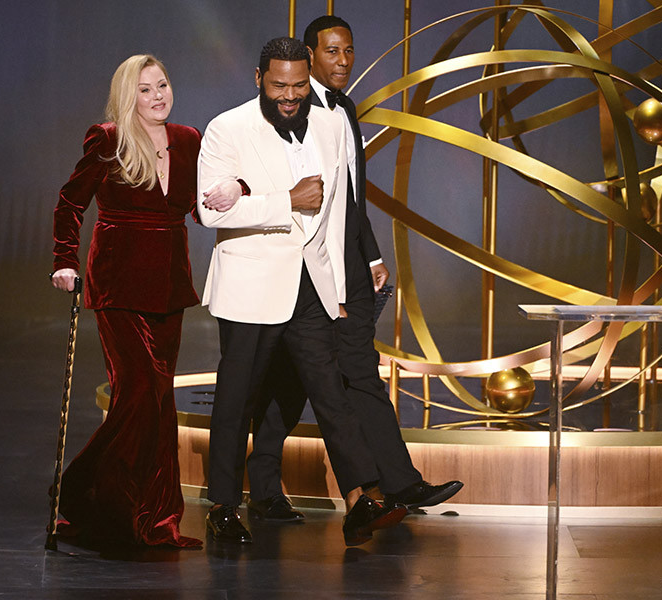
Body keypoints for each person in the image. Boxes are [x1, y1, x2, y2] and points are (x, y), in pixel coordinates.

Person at [245, 16, 464, 523]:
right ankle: (268, 486)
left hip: (346, 266)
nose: (344, 61)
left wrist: (368, 254)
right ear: (308, 54)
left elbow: (349, 195)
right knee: (291, 378)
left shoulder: (343, 108)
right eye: (332, 51)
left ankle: (396, 483)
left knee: (351, 373)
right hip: (301, 271)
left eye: (349, 51)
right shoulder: (284, 111)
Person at [197, 36, 407, 546]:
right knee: (237, 399)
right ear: (258, 79)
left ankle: (360, 501)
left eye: (297, 86)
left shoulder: (331, 123)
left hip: (311, 287)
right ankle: (224, 504)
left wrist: (334, 283)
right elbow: (211, 212)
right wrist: (285, 200)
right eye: (278, 86)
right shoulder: (227, 129)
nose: (289, 96)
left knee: (331, 393)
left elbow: (334, 215)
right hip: (251, 286)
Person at [50, 54, 238, 548]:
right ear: (127, 96)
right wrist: (63, 259)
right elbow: (71, 201)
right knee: (136, 392)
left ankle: (155, 518)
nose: (158, 96)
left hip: (168, 284)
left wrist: (235, 190)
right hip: (117, 283)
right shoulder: (107, 138)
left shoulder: (188, 139)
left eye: (163, 86)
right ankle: (92, 501)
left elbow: (199, 210)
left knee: (158, 402)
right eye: (146, 89)